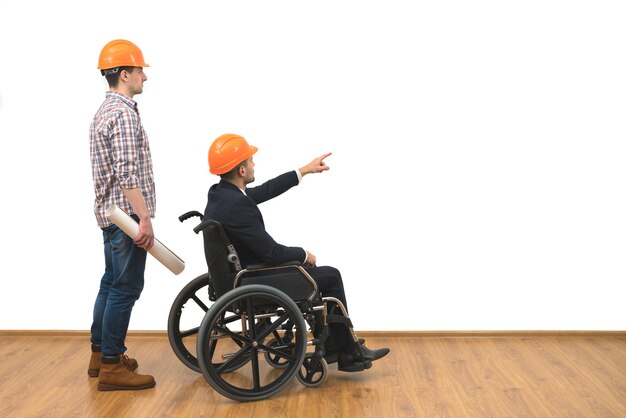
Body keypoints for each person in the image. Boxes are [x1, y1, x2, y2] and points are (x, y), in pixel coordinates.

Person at [203, 133, 390, 372]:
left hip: (238, 276)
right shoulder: (238, 205)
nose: (254, 164)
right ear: (241, 170)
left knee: (316, 276)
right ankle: (346, 351)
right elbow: (270, 252)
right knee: (330, 276)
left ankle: (338, 341)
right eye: (250, 161)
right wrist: (303, 255)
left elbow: (265, 190)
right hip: (255, 279)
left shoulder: (221, 196)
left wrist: (304, 170)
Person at [88, 39, 156, 391]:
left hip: (110, 215)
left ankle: (100, 356)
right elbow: (128, 175)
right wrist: (144, 219)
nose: (145, 76)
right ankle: (113, 365)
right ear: (125, 74)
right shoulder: (123, 114)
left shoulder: (103, 112)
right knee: (125, 288)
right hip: (127, 217)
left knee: (110, 284)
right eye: (141, 70)